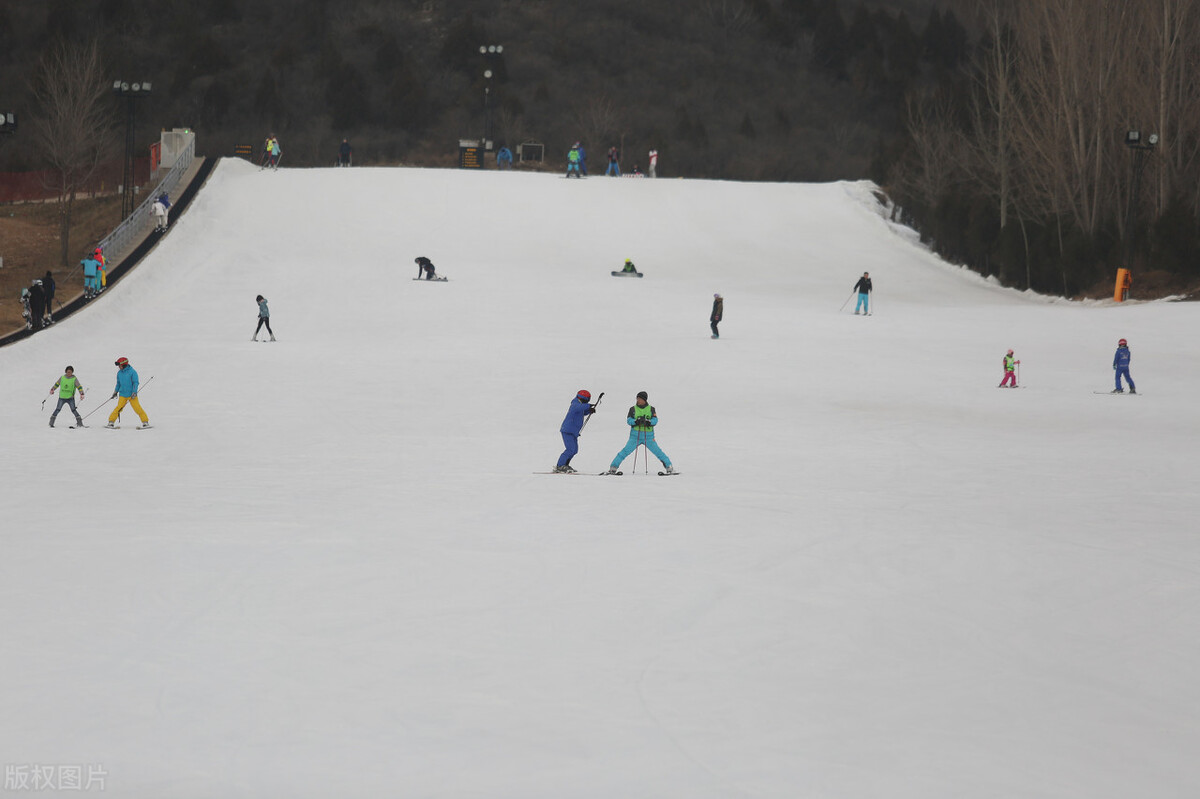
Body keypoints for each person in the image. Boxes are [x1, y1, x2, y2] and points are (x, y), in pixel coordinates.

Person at [605, 391, 674, 475]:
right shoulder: (632, 409)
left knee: (658, 452)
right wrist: (636, 421)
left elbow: (655, 420)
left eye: (640, 399)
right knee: (625, 451)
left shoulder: (651, 409)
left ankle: (669, 467)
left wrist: (649, 422)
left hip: (648, 437)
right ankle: (613, 468)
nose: (638, 400)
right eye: (637, 398)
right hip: (635, 437)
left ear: (645, 400)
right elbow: (628, 420)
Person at [555, 389, 597, 473]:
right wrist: (588, 406)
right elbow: (578, 408)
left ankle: (565, 465)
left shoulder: (580, 405)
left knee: (574, 450)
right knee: (570, 449)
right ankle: (560, 466)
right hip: (567, 430)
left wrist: (589, 411)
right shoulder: (575, 403)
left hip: (573, 432)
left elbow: (582, 412)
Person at [106, 356, 150, 429]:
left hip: (131, 395)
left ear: (124, 365)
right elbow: (118, 383)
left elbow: (135, 383)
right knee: (118, 408)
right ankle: (111, 422)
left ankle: (145, 422)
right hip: (122, 394)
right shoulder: (119, 373)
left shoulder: (132, 372)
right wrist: (115, 392)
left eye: (119, 365)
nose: (119, 367)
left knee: (137, 408)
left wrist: (134, 392)